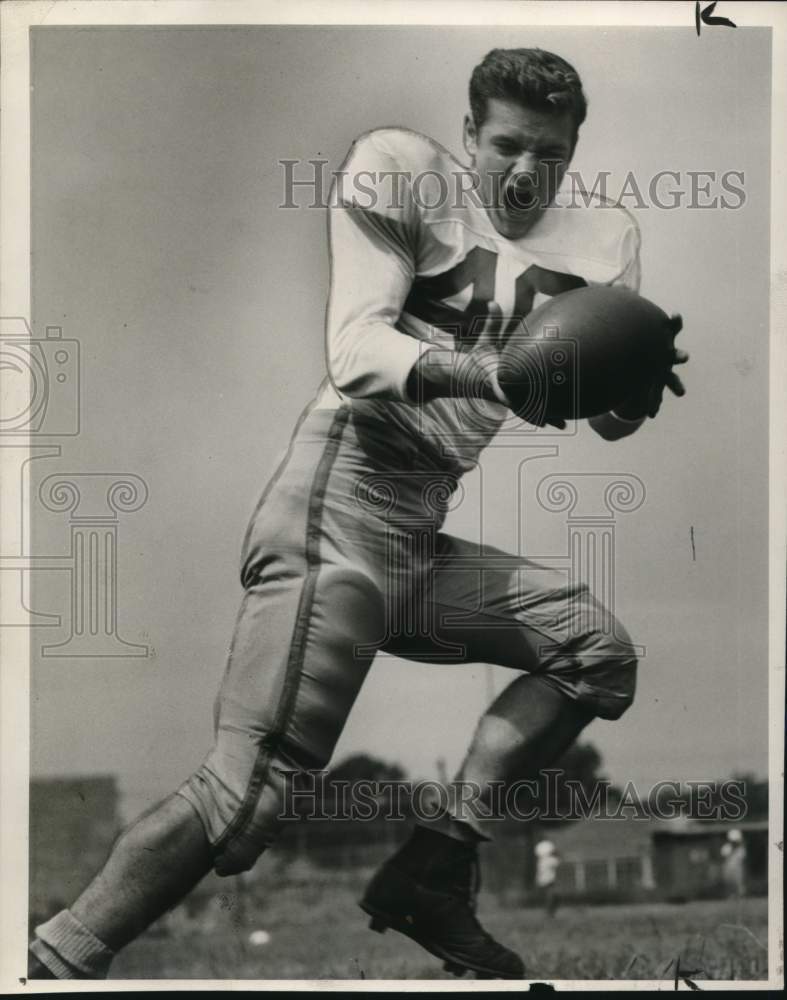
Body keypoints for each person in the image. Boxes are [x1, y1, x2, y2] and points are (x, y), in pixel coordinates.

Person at [28, 47, 688, 981]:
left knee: (593, 652)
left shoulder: (603, 239)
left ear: (575, 147)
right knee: (247, 799)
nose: (525, 170)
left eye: (550, 151)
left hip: (419, 525)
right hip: (339, 499)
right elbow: (357, 353)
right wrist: (492, 371)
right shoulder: (405, 172)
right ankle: (55, 960)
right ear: (468, 135)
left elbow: (609, 422)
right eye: (505, 145)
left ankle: (434, 865)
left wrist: (635, 385)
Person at [534, 839, 561, 917]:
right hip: (549, 881)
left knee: (549, 897)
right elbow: (558, 862)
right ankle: (550, 912)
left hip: (542, 881)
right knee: (551, 897)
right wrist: (557, 854)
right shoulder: (549, 860)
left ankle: (549, 912)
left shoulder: (541, 860)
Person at [720, 829, 747, 898]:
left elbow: (742, 859)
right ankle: (730, 897)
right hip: (727, 868)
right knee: (729, 885)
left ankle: (740, 898)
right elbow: (724, 857)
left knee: (739, 886)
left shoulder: (741, 849)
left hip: (738, 869)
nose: (735, 842)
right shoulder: (726, 847)